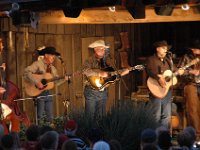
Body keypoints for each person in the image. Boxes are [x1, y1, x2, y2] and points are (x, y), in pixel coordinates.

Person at [82, 40, 130, 119]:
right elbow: (85, 71)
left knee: (101, 117)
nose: (103, 50)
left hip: (103, 92)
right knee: (89, 117)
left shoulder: (107, 62)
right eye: (101, 48)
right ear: (95, 49)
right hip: (91, 92)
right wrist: (99, 73)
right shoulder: (89, 60)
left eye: (103, 49)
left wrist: (121, 73)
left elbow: (111, 76)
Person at [23, 46, 69, 125]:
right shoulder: (38, 64)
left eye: (54, 55)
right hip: (38, 93)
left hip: (48, 93)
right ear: (46, 55)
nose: (53, 57)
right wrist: (37, 82)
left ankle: (49, 133)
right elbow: (26, 72)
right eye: (52, 55)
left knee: (50, 117)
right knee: (40, 117)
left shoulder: (53, 69)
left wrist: (64, 79)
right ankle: (41, 134)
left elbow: (55, 82)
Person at [146, 40, 174, 128]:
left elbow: (173, 73)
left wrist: (181, 71)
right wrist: (158, 78)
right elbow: (148, 71)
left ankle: (163, 135)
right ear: (157, 49)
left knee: (166, 115)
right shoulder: (151, 59)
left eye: (166, 48)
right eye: (163, 48)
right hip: (156, 89)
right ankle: (155, 135)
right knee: (156, 115)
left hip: (166, 90)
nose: (166, 50)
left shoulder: (168, 61)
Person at [177, 39, 200, 139]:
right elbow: (179, 71)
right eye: (193, 49)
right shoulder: (186, 57)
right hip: (191, 84)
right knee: (192, 110)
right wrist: (191, 72)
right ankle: (196, 134)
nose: (194, 51)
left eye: (196, 49)